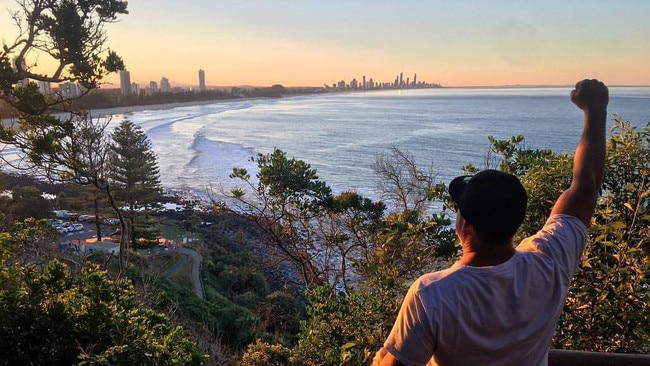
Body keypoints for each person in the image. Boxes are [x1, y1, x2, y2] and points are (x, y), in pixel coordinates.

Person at [373, 79, 609, 366]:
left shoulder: (432, 295)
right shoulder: (550, 261)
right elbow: (586, 187)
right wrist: (595, 110)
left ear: (466, 226)